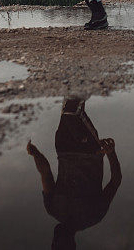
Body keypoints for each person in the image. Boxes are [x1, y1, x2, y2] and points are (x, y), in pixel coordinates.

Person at [27, 98, 122, 249]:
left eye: (55, 245)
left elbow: (45, 173)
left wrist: (35, 153)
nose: (57, 241)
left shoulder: (53, 208)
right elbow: (116, 181)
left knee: (69, 105)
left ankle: (79, 77)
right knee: (72, 110)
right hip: (89, 151)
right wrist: (111, 153)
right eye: (62, 246)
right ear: (72, 244)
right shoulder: (93, 215)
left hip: (63, 147)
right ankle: (87, 77)